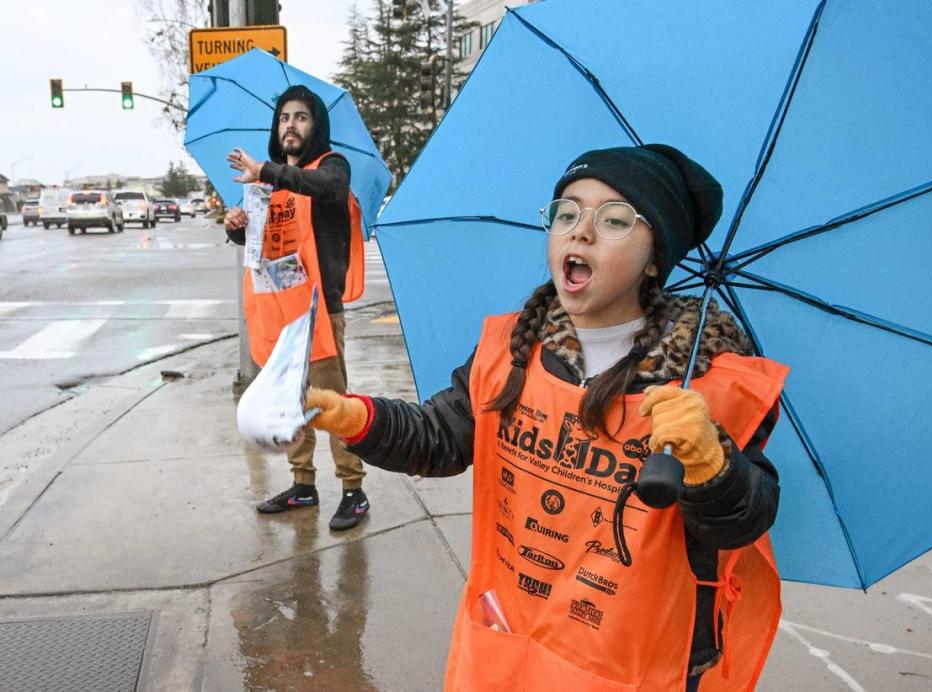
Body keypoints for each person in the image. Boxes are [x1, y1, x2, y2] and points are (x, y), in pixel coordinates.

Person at [300, 145, 788, 690]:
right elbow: (441, 437)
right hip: (511, 642)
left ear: (655, 257)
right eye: (566, 212)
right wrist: (355, 417)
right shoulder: (513, 351)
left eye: (615, 219)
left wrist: (711, 465)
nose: (580, 231)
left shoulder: (707, 381)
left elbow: (747, 518)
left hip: (633, 663)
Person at [224, 84, 369, 530]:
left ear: (316, 125)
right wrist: (236, 226)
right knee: (289, 401)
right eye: (285, 117)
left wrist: (267, 172)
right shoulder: (265, 183)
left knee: (332, 402)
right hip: (279, 311)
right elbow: (261, 245)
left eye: (301, 117)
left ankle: (353, 489)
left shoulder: (330, 167)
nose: (291, 124)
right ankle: (303, 485)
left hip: (319, 310)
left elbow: (325, 188)